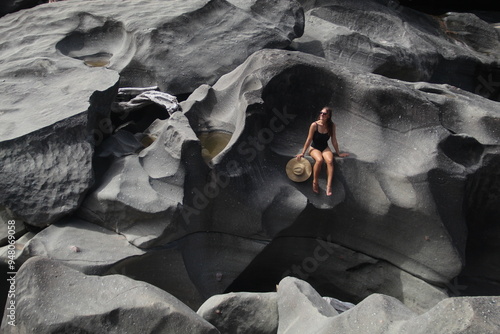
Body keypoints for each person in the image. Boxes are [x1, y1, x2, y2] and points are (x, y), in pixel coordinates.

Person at [296, 107, 349, 196]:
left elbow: (334, 140)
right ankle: (315, 182)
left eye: (324, 114)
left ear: (328, 116)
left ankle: (329, 186)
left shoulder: (331, 126)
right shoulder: (314, 125)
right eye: (321, 113)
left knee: (329, 161)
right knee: (319, 160)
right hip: (314, 147)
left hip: (325, 147)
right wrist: (303, 152)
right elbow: (309, 139)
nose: (321, 115)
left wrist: (338, 153)